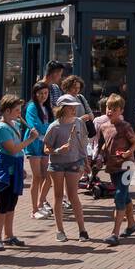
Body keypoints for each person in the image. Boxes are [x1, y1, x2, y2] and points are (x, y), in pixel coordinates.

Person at [0, 94, 36, 251]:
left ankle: (8, 235)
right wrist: (30, 139)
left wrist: (21, 168)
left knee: (12, 203)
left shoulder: (14, 124)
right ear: (7, 111)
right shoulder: (1, 127)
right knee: (2, 204)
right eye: (17, 110)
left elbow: (17, 151)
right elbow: (13, 149)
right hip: (4, 170)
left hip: (15, 167)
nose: (19, 114)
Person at [44, 94, 90, 241]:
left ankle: (82, 230)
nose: (74, 110)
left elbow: (83, 142)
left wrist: (86, 160)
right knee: (58, 196)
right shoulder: (54, 126)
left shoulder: (79, 123)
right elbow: (46, 148)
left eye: (74, 107)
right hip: (57, 163)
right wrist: (58, 150)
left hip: (75, 161)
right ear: (62, 109)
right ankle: (60, 230)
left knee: (73, 195)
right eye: (70, 107)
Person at [97, 95, 135, 246]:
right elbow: (105, 144)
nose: (110, 111)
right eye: (109, 108)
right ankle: (132, 225)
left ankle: (114, 234)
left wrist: (129, 152)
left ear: (121, 111)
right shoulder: (103, 127)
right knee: (124, 195)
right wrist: (100, 156)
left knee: (119, 196)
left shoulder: (125, 126)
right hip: (112, 166)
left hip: (127, 166)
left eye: (114, 109)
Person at [23, 82, 53, 219]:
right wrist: (50, 129)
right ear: (35, 94)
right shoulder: (31, 107)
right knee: (37, 177)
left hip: (45, 144)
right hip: (34, 144)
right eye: (40, 93)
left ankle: (41, 203)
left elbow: (50, 124)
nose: (43, 96)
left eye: (45, 93)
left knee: (47, 177)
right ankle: (34, 209)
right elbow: (35, 125)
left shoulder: (47, 107)